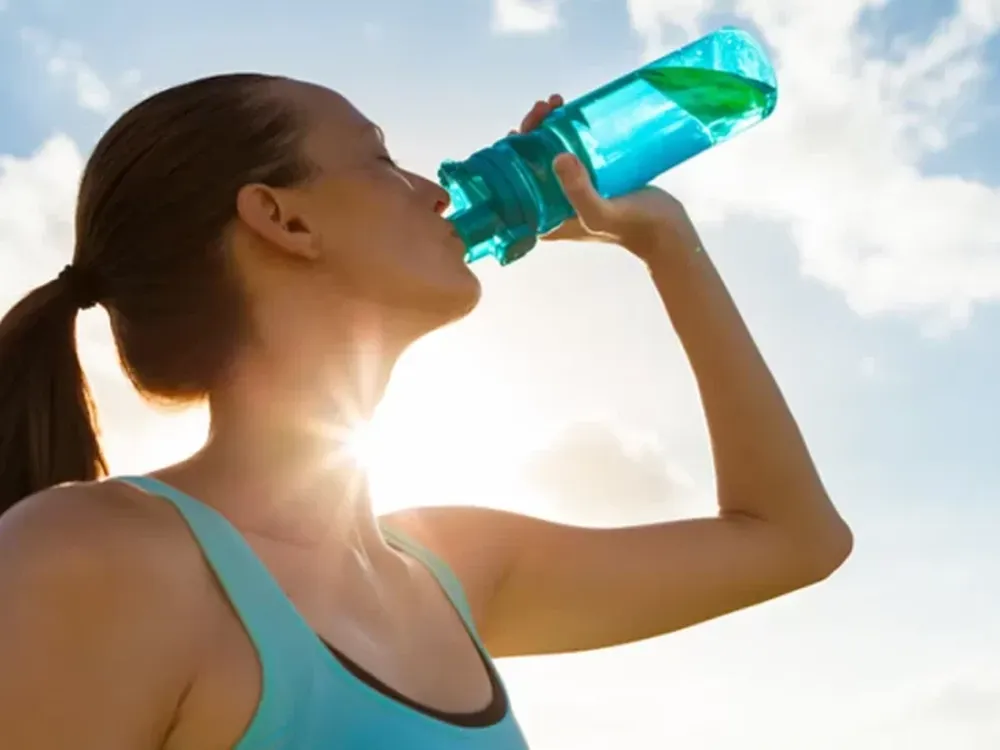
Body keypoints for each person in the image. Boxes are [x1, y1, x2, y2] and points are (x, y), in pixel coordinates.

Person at [0, 74, 852, 749]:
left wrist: (664, 243)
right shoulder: (94, 556)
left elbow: (793, 540)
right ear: (283, 218)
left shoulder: (446, 568)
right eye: (380, 159)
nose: (435, 190)